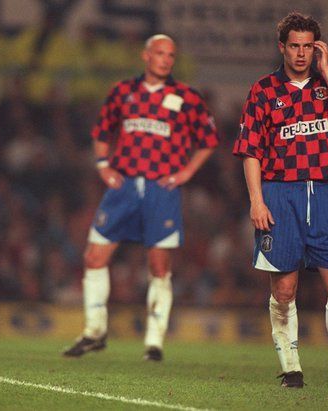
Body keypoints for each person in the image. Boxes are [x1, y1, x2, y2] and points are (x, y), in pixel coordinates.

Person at [233, 12, 328, 391]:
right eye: (294, 46)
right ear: (282, 47)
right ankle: (292, 370)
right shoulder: (263, 90)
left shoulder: (324, 87)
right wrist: (256, 200)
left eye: (307, 46)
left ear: (316, 48)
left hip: (325, 195)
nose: (301, 54)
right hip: (280, 195)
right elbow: (250, 150)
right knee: (284, 290)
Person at [63, 34, 219, 361]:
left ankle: (154, 342)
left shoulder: (187, 96)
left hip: (161, 190)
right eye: (160, 53)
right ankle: (94, 331)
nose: (166, 59)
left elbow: (208, 140)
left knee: (159, 266)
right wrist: (103, 166)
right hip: (123, 186)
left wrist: (186, 173)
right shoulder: (123, 91)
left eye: (171, 55)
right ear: (145, 55)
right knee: (94, 257)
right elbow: (101, 132)